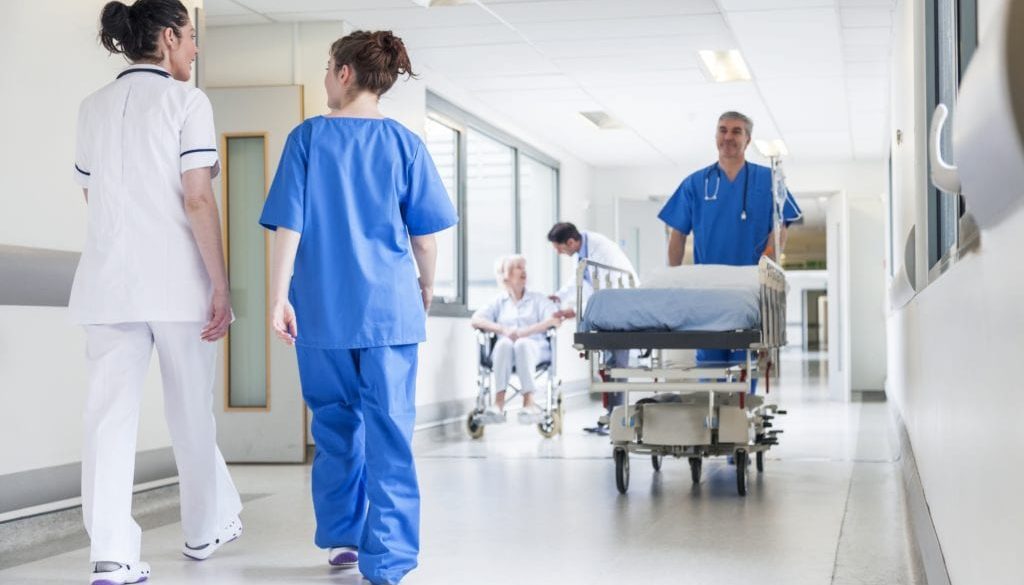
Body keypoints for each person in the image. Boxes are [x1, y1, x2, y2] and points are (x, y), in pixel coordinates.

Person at [259, 30, 457, 585]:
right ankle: (388, 560)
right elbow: (425, 237)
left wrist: (279, 298)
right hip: (390, 312)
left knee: (335, 425)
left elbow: (289, 225)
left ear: (345, 73)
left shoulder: (307, 139)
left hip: (322, 308)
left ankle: (344, 539)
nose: (325, 77)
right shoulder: (405, 144)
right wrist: (424, 286)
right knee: (390, 430)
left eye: (327, 67)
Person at [71, 1, 242, 583]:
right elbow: (197, 197)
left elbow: (93, 200)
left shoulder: (91, 108)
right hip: (176, 284)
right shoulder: (186, 102)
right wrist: (220, 284)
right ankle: (201, 532)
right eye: (192, 37)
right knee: (191, 411)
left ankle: (112, 556)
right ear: (169, 37)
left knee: (107, 420)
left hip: (107, 285)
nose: (195, 49)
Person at [658, 111, 802, 367]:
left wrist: (766, 263)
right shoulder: (695, 182)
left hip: (749, 286)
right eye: (722, 130)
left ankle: (741, 408)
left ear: (748, 140)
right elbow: (677, 233)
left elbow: (781, 226)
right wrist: (674, 277)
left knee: (745, 363)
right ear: (715, 136)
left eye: (736, 131)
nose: (728, 136)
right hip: (708, 288)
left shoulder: (768, 180)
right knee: (710, 366)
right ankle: (713, 407)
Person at [547, 222, 638, 433]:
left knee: (617, 366)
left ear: (570, 242)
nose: (560, 253)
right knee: (608, 367)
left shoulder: (601, 251)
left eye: (559, 248)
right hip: (608, 312)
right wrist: (559, 297)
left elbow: (607, 291)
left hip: (620, 309)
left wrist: (576, 311)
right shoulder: (582, 251)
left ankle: (618, 419)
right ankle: (611, 416)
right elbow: (580, 280)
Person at [471, 255, 562, 424]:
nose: (523, 270)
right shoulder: (498, 301)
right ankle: (498, 403)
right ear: (505, 275)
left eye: (524, 267)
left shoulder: (537, 300)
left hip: (534, 349)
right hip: (504, 354)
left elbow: (555, 319)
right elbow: (476, 320)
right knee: (504, 343)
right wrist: (503, 329)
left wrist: (524, 332)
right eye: (517, 267)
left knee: (522, 344)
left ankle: (529, 402)